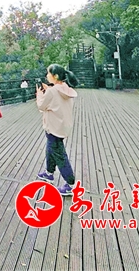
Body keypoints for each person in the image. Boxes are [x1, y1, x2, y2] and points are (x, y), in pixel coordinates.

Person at [35, 64, 79, 196]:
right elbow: (57, 99)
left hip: (53, 126)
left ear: (55, 76)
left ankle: (70, 184)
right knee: (50, 148)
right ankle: (49, 172)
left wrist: (39, 94)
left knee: (59, 154)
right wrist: (49, 90)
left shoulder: (52, 91)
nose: (47, 75)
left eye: (48, 73)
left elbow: (41, 106)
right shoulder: (66, 89)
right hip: (62, 126)